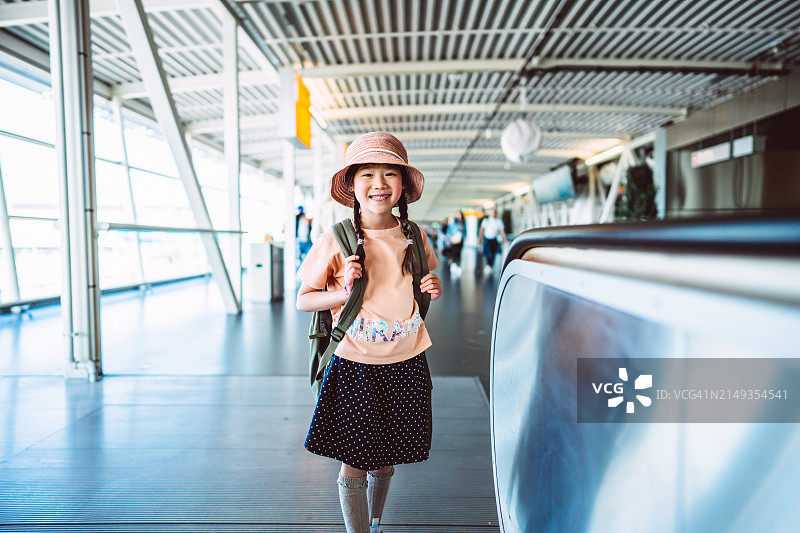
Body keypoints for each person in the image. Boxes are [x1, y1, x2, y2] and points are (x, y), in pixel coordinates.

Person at [296, 131, 442, 533]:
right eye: (368, 175)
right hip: (356, 362)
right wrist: (341, 292)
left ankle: (375, 522)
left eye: (390, 175)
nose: (379, 184)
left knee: (387, 454)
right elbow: (304, 299)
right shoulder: (336, 239)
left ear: (402, 187)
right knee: (355, 458)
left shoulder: (414, 236)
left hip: (406, 358)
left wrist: (433, 286)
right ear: (352, 185)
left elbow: (425, 277)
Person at [478, 209, 507, 273]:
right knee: (488, 253)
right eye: (492, 213)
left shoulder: (499, 222)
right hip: (487, 239)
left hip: (494, 239)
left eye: (494, 213)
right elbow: (481, 230)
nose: (493, 214)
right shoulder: (486, 221)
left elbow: (502, 232)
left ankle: (490, 265)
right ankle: (488, 264)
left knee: (493, 253)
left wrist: (505, 241)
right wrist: (480, 240)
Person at [446, 211, 465, 276]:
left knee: (459, 252)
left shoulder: (463, 222)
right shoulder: (453, 222)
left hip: (460, 239)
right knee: (454, 252)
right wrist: (449, 238)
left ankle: (457, 264)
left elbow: (465, 231)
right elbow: (449, 230)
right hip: (454, 239)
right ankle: (454, 265)